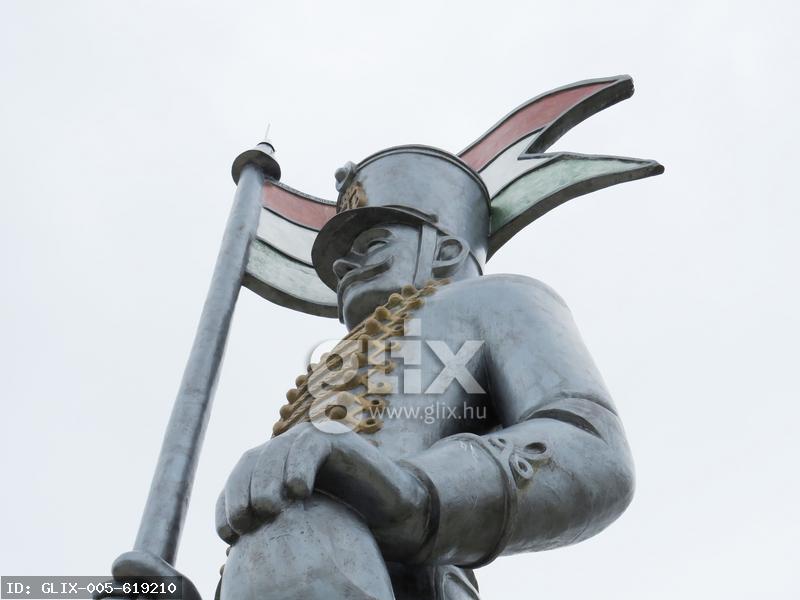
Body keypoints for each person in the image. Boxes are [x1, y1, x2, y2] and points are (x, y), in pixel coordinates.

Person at [212, 146, 636, 599]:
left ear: (445, 251)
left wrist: (417, 493)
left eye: (372, 245)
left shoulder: (496, 299)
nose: (342, 266)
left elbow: (592, 447)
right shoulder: (332, 364)